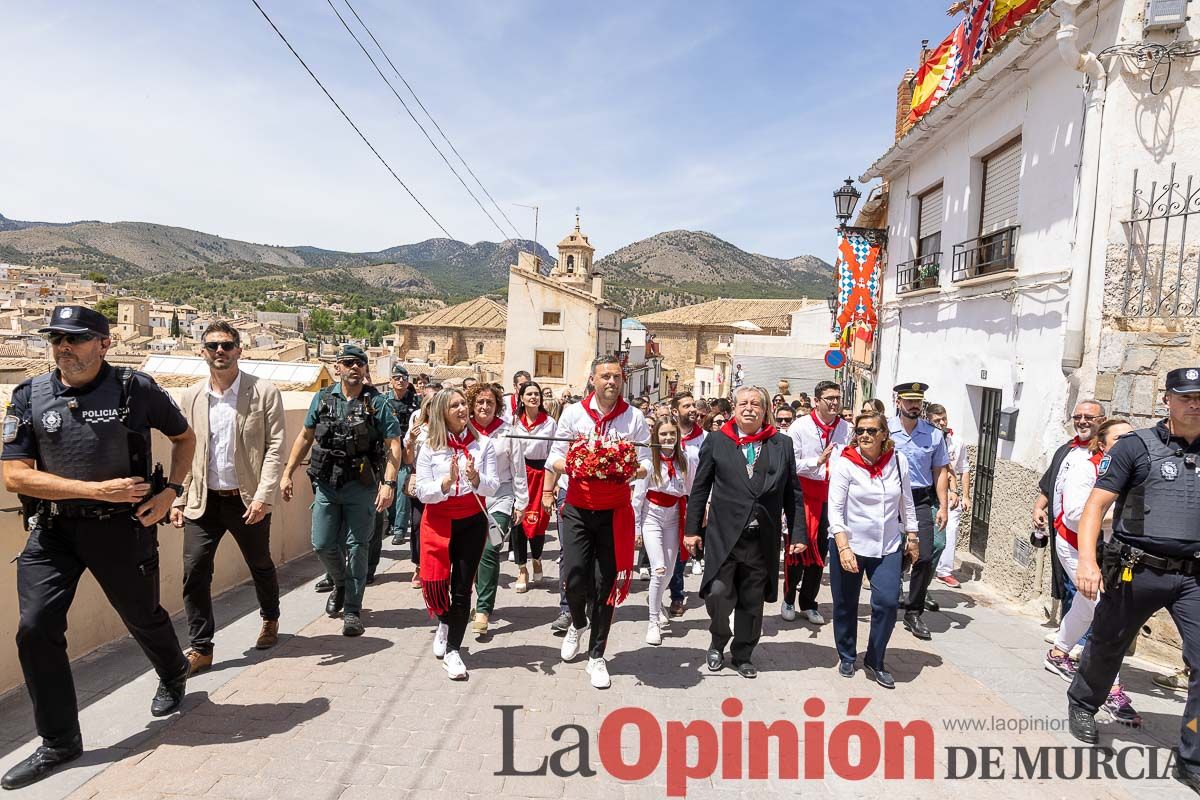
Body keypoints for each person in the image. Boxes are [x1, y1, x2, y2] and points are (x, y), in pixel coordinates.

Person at [1, 305, 196, 790]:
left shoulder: (135, 389)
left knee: (142, 614)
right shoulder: (30, 395)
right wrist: (94, 490)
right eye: (55, 338)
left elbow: (184, 438)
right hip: (52, 530)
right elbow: (13, 475)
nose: (63, 346)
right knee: (35, 627)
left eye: (76, 338)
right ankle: (59, 741)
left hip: (120, 528)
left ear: (104, 344)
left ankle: (173, 671)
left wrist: (171, 490)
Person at [1066, 369, 1200, 784]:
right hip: (1136, 567)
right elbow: (1095, 506)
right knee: (1108, 644)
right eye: (1186, 396)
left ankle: (1191, 758)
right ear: (1167, 400)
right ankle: (1084, 702)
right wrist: (1087, 561)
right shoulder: (1136, 447)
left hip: (1194, 575)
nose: (1195, 403)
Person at [171, 321, 286, 677]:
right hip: (202, 500)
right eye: (212, 346)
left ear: (239, 349)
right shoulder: (190, 396)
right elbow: (185, 450)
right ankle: (201, 647)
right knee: (194, 572)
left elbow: (276, 446)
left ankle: (270, 618)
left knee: (260, 563)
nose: (219, 351)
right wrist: (178, 496)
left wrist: (264, 496)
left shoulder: (263, 391)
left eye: (226, 345)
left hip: (247, 499)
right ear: (202, 352)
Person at [684, 386, 806, 679]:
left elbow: (793, 493)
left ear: (765, 411)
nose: (749, 408)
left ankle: (743, 654)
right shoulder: (716, 441)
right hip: (724, 536)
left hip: (761, 537)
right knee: (717, 593)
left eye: (755, 404)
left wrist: (798, 534)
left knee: (752, 599)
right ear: (734, 409)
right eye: (743, 403)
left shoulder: (782, 444)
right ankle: (717, 639)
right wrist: (691, 530)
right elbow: (700, 488)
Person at [280, 344, 401, 637]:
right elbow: (305, 436)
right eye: (348, 363)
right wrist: (287, 473)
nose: (354, 367)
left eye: (359, 363)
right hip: (327, 484)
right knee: (321, 543)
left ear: (365, 368)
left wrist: (388, 484)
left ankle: (352, 610)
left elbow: (393, 445)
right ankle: (341, 582)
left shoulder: (377, 403)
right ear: (338, 368)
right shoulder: (322, 399)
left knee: (358, 546)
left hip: (361, 485)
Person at [546, 355, 650, 689]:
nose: (611, 382)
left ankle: (597, 655)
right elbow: (554, 458)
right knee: (575, 578)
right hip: (577, 507)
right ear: (592, 379)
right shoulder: (574, 414)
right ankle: (577, 622)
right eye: (605, 376)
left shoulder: (634, 418)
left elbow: (646, 462)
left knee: (607, 584)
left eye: (617, 377)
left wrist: (627, 469)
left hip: (615, 511)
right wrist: (580, 464)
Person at [1044, 419, 1143, 725]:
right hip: (1076, 547)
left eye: (1132, 437)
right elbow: (1075, 516)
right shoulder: (1085, 468)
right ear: (1102, 443)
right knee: (1104, 612)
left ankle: (1059, 653)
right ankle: (1111, 690)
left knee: (1087, 608)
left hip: (1111, 554)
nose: (1128, 443)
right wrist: (1123, 512)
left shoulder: (1133, 468)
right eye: (1120, 438)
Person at [827, 411, 918, 689]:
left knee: (888, 603)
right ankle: (846, 654)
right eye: (860, 430)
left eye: (871, 430)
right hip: (849, 543)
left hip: (887, 544)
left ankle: (875, 659)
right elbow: (835, 508)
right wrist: (843, 547)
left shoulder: (898, 461)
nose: (864, 435)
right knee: (845, 604)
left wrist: (912, 536)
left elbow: (907, 501)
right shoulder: (845, 463)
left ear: (884, 435)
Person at [415, 389, 499, 679]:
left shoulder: (483, 444)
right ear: (442, 412)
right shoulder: (429, 447)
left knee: (462, 589)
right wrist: (447, 481)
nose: (464, 409)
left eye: (465, 403)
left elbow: (493, 486)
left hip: (471, 522)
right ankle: (444, 621)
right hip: (437, 523)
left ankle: (453, 651)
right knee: (435, 585)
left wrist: (476, 478)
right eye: (456, 405)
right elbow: (423, 491)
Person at [1032, 400, 1107, 626]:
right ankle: (1067, 633)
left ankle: (1081, 642)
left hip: (1088, 538)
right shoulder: (1066, 450)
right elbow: (1049, 485)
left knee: (1084, 589)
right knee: (1066, 585)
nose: (1082, 421)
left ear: (1102, 421)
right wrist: (1038, 507)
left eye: (1089, 417)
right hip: (1061, 534)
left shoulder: (1103, 455)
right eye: (1078, 417)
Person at [784, 380, 853, 625]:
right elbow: (790, 464)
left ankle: (809, 602)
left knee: (820, 553)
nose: (835, 403)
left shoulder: (847, 428)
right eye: (829, 398)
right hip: (803, 496)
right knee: (797, 551)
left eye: (838, 398)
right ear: (816, 401)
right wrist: (817, 461)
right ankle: (789, 598)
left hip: (831, 496)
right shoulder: (800, 427)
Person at [890, 382, 949, 640]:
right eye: (909, 401)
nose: (914, 406)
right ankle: (890, 597)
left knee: (925, 556)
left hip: (920, 499)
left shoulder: (934, 434)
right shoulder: (886, 430)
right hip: (891, 499)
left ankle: (914, 611)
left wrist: (943, 505)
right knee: (889, 553)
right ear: (899, 401)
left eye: (918, 401)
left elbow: (940, 471)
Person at [467, 383, 526, 635]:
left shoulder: (507, 432)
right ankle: (480, 594)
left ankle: (483, 609)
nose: (484, 406)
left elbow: (518, 470)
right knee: (473, 551)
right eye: (479, 402)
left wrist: (521, 503)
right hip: (470, 497)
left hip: (501, 496)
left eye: (489, 402)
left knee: (491, 547)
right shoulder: (463, 430)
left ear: (497, 405)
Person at [634, 417, 696, 645]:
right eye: (663, 435)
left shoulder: (686, 460)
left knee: (670, 570)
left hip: (673, 518)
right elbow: (637, 499)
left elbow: (691, 490)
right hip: (651, 518)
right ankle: (653, 622)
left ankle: (657, 601)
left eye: (672, 434)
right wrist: (636, 529)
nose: (668, 438)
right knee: (658, 568)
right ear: (655, 438)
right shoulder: (649, 464)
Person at [666, 392, 708, 618]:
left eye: (694, 405)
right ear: (675, 411)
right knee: (666, 551)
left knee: (682, 550)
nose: (693, 409)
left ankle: (677, 596)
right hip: (667, 499)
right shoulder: (665, 436)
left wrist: (706, 504)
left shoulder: (706, 439)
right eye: (687, 406)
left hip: (692, 500)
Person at [512, 381, 556, 591]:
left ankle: (537, 558)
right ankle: (522, 569)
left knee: (539, 521)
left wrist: (553, 485)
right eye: (528, 394)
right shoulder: (513, 423)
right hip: (519, 475)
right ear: (521, 398)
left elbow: (554, 454)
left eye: (536, 394)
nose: (533, 397)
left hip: (541, 475)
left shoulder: (549, 423)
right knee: (518, 522)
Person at [926, 404, 971, 588]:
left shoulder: (956, 441)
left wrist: (962, 494)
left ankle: (942, 572)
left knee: (945, 537)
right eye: (937, 420)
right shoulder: (925, 438)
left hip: (948, 496)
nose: (942, 423)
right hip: (926, 494)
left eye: (944, 418)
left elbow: (960, 468)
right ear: (928, 419)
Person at [383, 364, 420, 549]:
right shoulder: (382, 401)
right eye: (397, 378)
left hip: (406, 450)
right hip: (386, 452)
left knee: (402, 491)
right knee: (388, 487)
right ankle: (391, 522)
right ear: (391, 381)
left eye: (404, 378)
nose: (400, 381)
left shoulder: (415, 402)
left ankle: (399, 529)